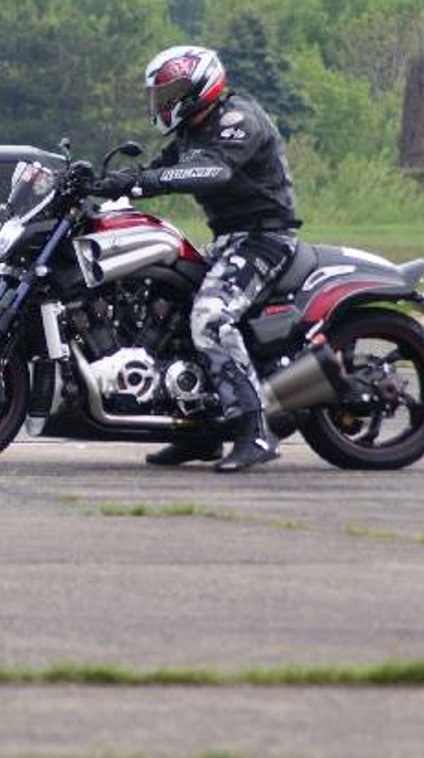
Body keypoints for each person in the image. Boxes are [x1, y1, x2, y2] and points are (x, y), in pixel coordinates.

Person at [87, 44, 300, 473]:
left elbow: (211, 171)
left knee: (210, 317)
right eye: (159, 95)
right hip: (228, 240)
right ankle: (200, 435)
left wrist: (142, 183)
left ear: (198, 87)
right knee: (173, 312)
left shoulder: (237, 119)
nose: (162, 102)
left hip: (264, 239)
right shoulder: (190, 133)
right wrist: (103, 184)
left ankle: (255, 429)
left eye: (169, 93)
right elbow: (158, 168)